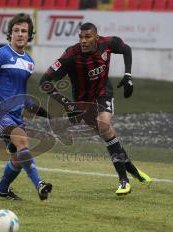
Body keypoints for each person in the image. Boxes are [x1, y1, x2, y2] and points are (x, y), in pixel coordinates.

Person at [40, 22, 152, 195]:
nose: (83, 41)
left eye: (88, 37)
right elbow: (44, 82)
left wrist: (128, 75)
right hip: (83, 104)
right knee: (109, 137)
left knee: (104, 125)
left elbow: (126, 49)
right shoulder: (71, 55)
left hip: (103, 93)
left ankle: (124, 181)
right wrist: (67, 104)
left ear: (96, 37)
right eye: (81, 37)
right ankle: (135, 171)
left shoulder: (107, 44)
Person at [0, 13, 52, 201]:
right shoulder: (0, 54)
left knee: (18, 159)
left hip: (16, 116)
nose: (19, 34)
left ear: (29, 35)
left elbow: (20, 94)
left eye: (24, 31)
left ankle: (1, 189)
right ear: (9, 34)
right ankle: (39, 184)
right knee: (22, 141)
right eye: (16, 30)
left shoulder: (29, 62)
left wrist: (37, 109)